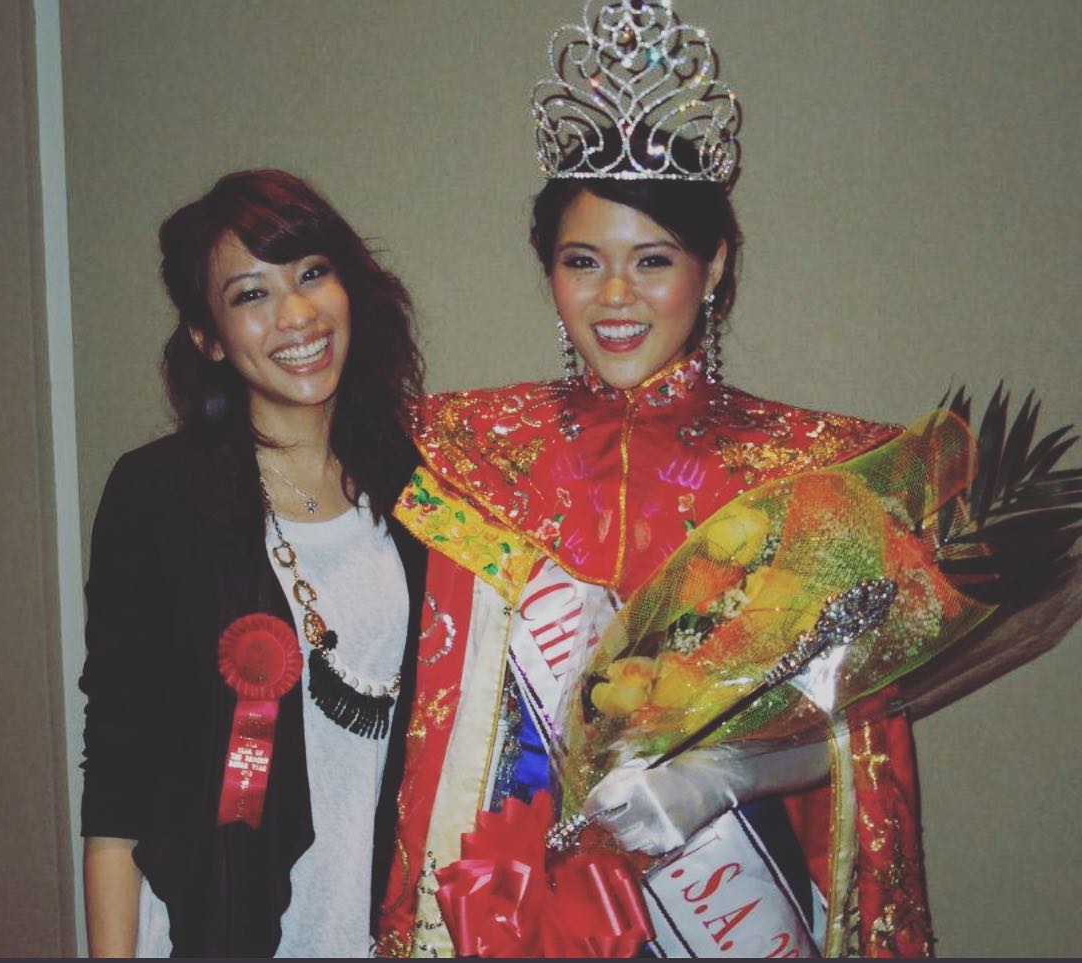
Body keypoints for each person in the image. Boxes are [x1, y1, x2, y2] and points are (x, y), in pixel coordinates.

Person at [376, 3, 941, 957]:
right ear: (547, 272)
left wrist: (716, 779)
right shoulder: (468, 450)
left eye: (652, 262)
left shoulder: (813, 471)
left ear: (712, 266)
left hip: (732, 893)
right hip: (525, 902)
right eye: (581, 262)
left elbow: (851, 730)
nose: (614, 297)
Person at [79, 169, 429, 957]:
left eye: (311, 273)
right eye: (250, 295)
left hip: (393, 928)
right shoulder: (157, 496)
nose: (295, 314)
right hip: (221, 926)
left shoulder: (421, 488)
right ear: (207, 336)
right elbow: (119, 763)